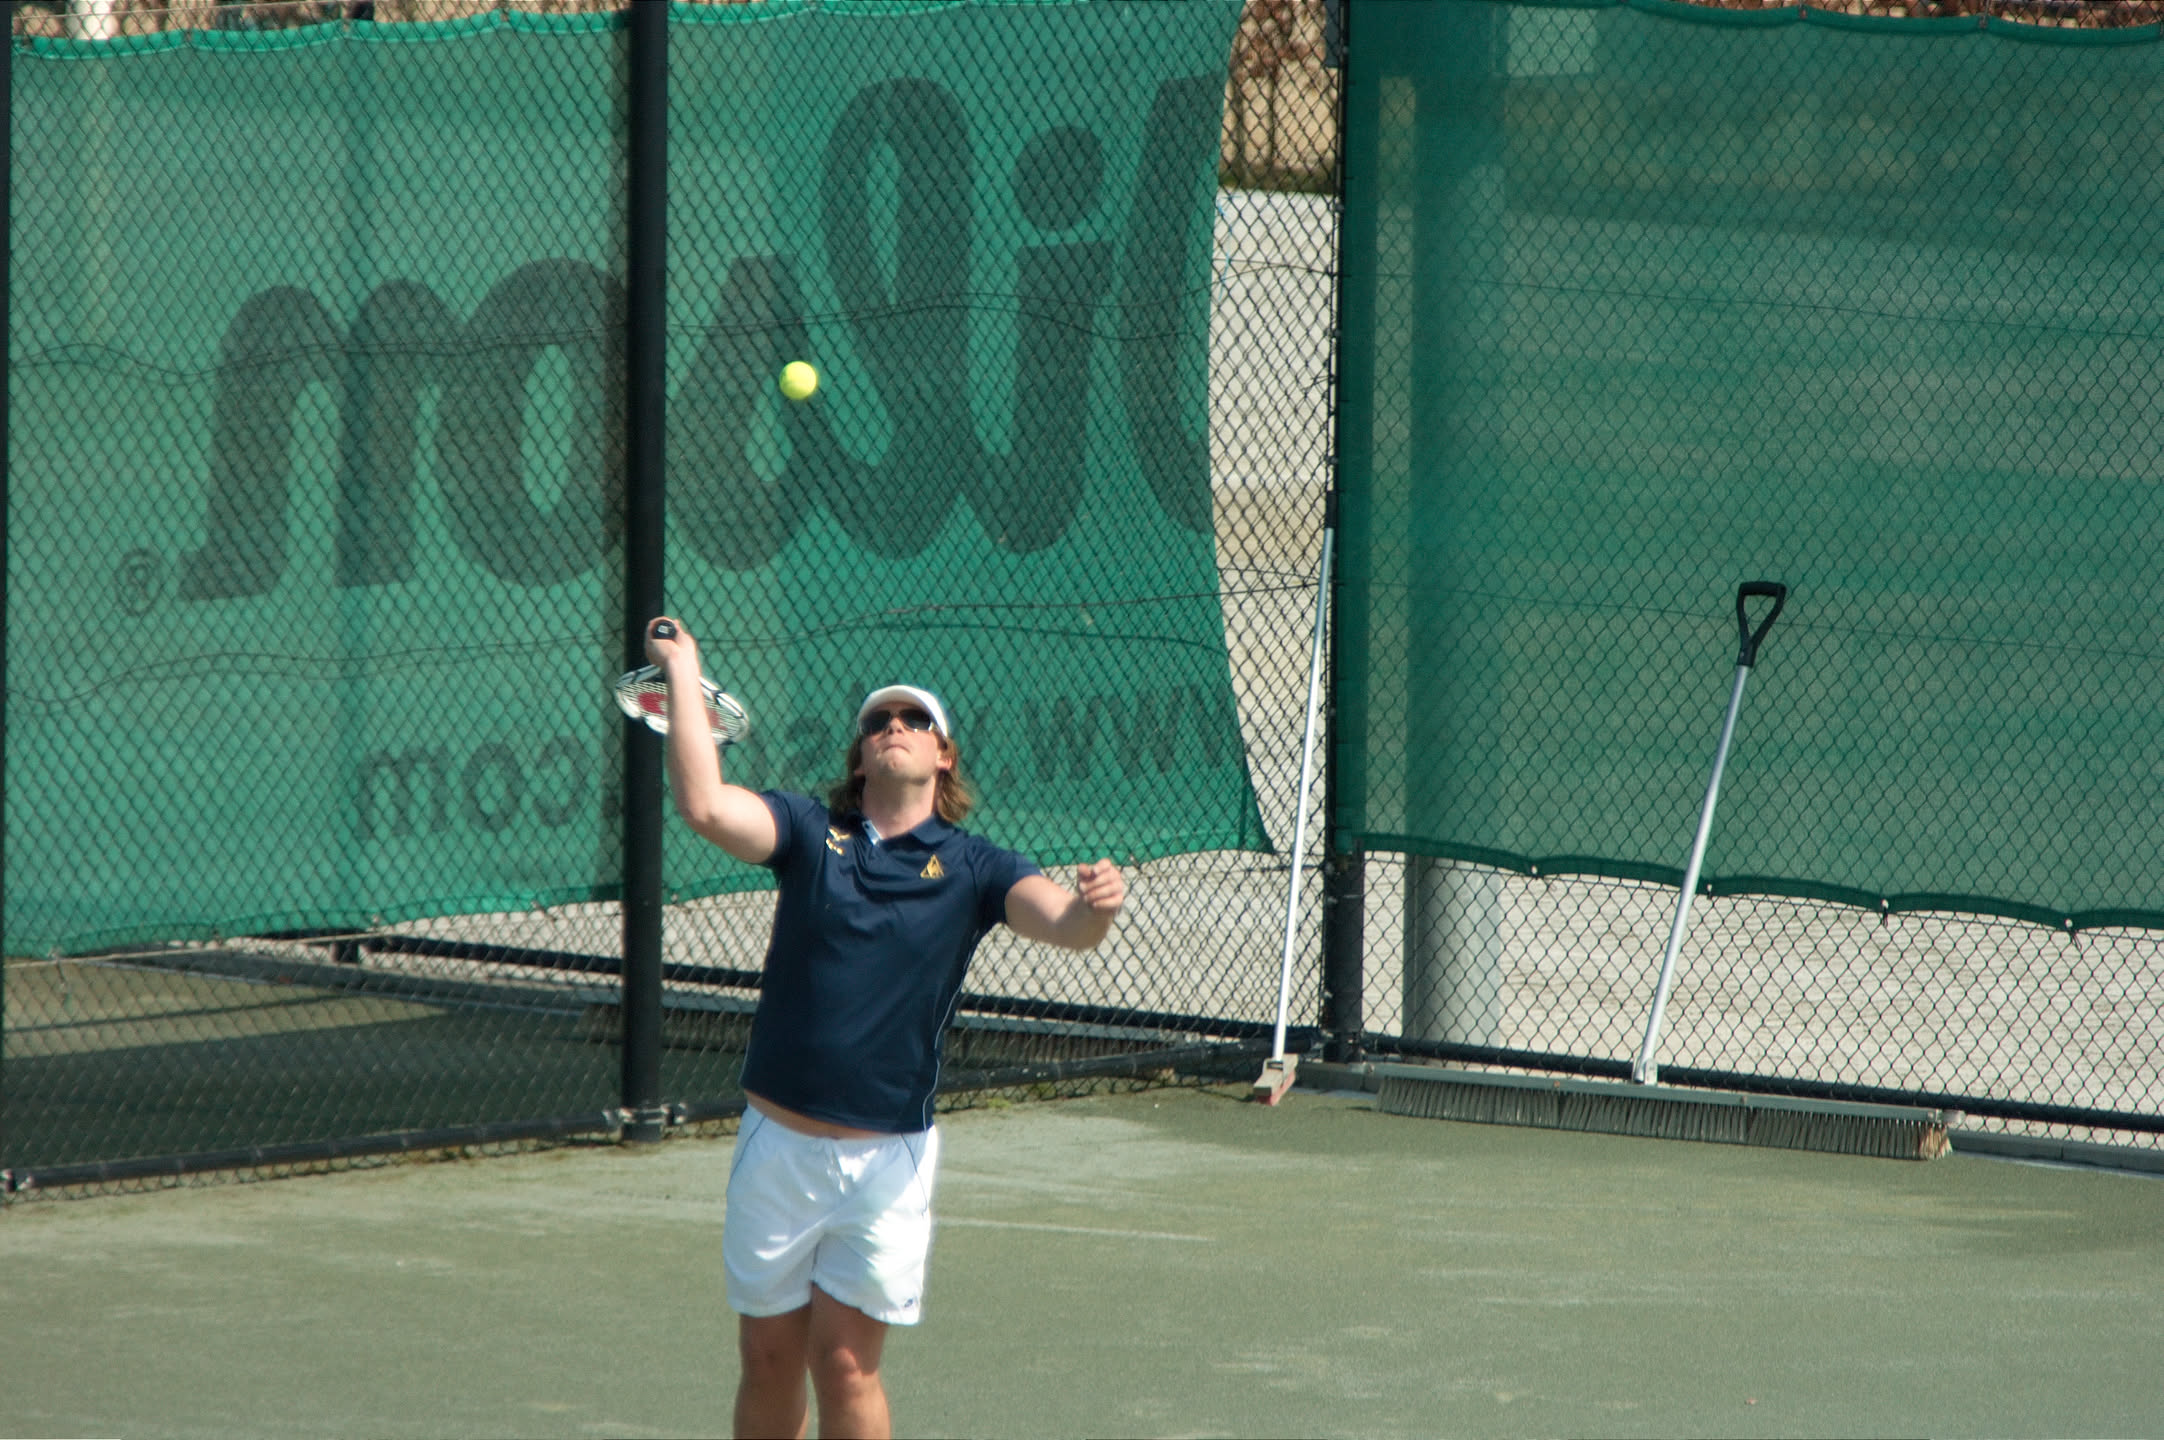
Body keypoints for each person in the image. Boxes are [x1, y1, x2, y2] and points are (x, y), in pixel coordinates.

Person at [643, 616, 1126, 1440]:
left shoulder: (977, 867)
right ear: (861, 757)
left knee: (846, 1365)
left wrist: (1094, 908)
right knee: (767, 1359)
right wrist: (683, 670)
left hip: (887, 1161)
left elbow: (1065, 925)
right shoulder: (808, 832)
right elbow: (705, 805)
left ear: (944, 756)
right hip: (778, 1147)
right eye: (878, 722)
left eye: (914, 720)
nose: (894, 727)